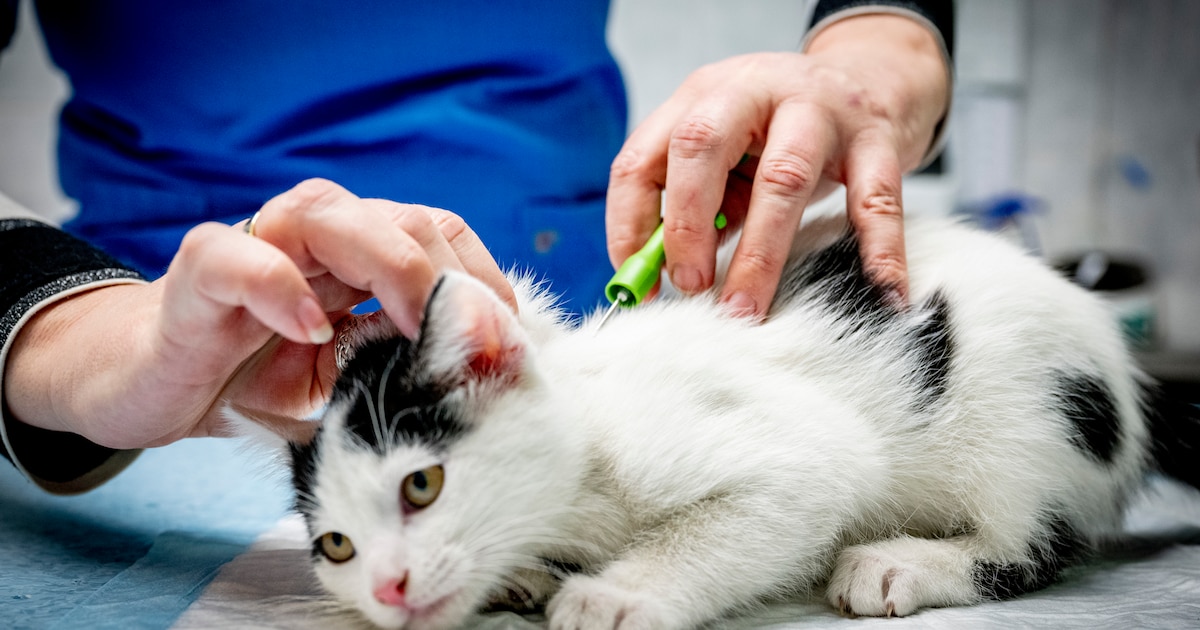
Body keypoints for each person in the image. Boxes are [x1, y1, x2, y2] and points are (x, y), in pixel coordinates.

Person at [0, 0, 952, 493]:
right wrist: (74, 330)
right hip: (167, 416)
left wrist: (856, 79)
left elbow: (885, 18)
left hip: (572, 360)